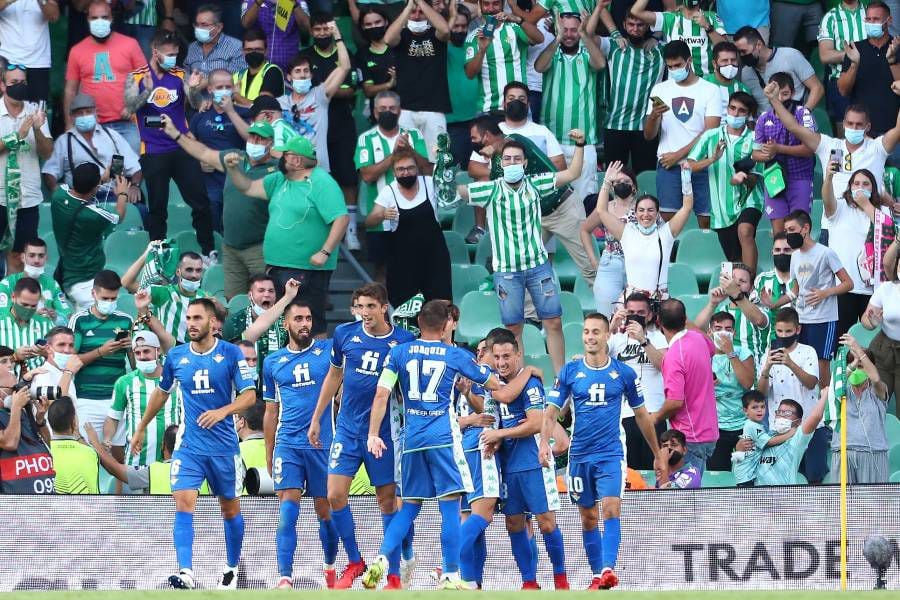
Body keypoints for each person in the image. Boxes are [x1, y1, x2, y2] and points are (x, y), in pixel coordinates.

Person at [364, 300, 502, 590]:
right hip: (443, 439)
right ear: (444, 327)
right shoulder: (455, 355)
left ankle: (381, 558)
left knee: (409, 507)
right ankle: (451, 574)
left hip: (412, 440)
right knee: (450, 508)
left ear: (418, 323)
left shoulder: (399, 353)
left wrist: (373, 433)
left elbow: (381, 394)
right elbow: (492, 383)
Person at [130, 299, 257, 589]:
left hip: (224, 447)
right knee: (184, 502)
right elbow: (161, 394)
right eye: (188, 318)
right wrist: (140, 428)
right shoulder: (176, 356)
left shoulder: (230, 353)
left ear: (213, 323)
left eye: (198, 317)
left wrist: (223, 411)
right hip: (189, 446)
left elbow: (249, 396)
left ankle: (232, 568)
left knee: (230, 509)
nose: (191, 323)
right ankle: (186, 572)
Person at [543, 313, 664, 589]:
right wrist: (543, 444)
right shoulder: (570, 372)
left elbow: (643, 416)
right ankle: (598, 575)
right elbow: (550, 414)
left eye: (596, 332)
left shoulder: (623, 373)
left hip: (611, 453)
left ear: (607, 336)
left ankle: (608, 568)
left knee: (611, 509)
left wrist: (657, 453)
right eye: (586, 332)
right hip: (579, 456)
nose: (590, 337)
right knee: (588, 517)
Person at [307, 283, 416, 589]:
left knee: (387, 501)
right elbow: (334, 376)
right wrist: (317, 418)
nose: (364, 313)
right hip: (348, 429)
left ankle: (393, 574)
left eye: (370, 306)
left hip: (384, 432)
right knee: (334, 495)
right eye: (359, 306)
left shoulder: (403, 341)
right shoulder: (345, 335)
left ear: (384, 307)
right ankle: (355, 561)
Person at [457, 133, 586, 372]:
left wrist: (580, 145)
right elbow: (458, 192)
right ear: (501, 163)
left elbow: (572, 174)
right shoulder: (491, 190)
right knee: (514, 329)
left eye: (517, 159)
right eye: (507, 159)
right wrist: (441, 168)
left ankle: (560, 379)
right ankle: (522, 379)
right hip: (507, 271)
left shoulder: (536, 184)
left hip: (538, 266)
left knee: (554, 322)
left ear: (525, 163)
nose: (513, 163)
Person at [223, 136, 349, 337]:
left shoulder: (322, 182)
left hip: (307, 269)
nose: (279, 157)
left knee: (310, 322)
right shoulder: (279, 179)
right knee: (283, 321)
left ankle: (319, 364)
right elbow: (247, 187)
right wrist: (232, 169)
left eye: (284, 154)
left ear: (297, 160)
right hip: (276, 266)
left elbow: (341, 218)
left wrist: (325, 251)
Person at [483, 328, 568, 590]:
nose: (502, 362)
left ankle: (560, 580)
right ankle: (529, 582)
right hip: (508, 466)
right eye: (497, 357)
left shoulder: (530, 384)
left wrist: (500, 432)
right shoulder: (495, 384)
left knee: (546, 522)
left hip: (533, 461)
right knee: (514, 523)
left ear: (518, 355)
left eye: (507, 356)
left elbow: (534, 424)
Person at [262, 300, 339, 589]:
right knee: (287, 511)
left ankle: (330, 568)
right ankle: (285, 577)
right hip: (289, 445)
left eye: (308, 318)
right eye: (298, 319)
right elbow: (271, 411)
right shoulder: (272, 362)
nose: (304, 323)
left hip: (322, 445)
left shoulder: (327, 351)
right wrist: (269, 452)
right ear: (286, 324)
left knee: (325, 512)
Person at [160, 115, 276, 299]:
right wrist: (176, 134)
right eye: (252, 136)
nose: (255, 141)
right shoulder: (235, 157)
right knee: (233, 301)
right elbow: (204, 153)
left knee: (264, 300)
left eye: (261, 138)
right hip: (231, 247)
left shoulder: (277, 169)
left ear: (271, 143)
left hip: (259, 247)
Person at [125, 30, 216, 262]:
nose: (172, 58)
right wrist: (146, 91)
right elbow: (130, 108)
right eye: (168, 54)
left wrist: (194, 89)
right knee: (158, 207)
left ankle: (208, 251)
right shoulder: (135, 76)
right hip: (153, 151)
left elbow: (195, 104)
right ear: (155, 52)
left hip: (183, 147)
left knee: (200, 201)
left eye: (175, 53)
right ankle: (157, 255)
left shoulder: (179, 74)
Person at [589, 161, 695, 303]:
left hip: (658, 300)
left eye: (650, 210)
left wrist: (686, 177)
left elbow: (687, 208)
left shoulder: (666, 233)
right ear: (635, 213)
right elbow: (601, 210)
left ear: (657, 213)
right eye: (641, 210)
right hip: (633, 303)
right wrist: (607, 181)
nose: (646, 214)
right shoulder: (627, 233)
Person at [644, 41, 720, 228]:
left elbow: (710, 133)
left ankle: (705, 256)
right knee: (667, 224)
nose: (674, 70)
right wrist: (654, 116)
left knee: (706, 222)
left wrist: (678, 155)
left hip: (701, 164)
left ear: (689, 61)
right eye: (670, 66)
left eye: (678, 65)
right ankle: (669, 258)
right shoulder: (660, 89)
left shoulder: (710, 90)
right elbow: (649, 135)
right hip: (668, 166)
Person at [356, 91, 430, 280]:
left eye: (392, 108)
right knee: (383, 272)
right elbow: (367, 176)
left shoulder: (413, 135)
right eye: (383, 109)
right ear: (375, 111)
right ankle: (384, 310)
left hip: (414, 216)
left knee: (415, 269)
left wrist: (410, 150)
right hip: (381, 220)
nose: (387, 112)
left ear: (399, 111)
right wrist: (394, 155)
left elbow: (428, 171)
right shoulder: (366, 139)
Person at [300, 15, 359, 247]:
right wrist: (328, 90)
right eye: (318, 29)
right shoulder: (305, 57)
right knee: (319, 178)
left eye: (327, 29)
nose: (322, 33)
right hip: (313, 126)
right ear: (312, 31)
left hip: (341, 123)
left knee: (347, 177)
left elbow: (350, 89)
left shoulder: (344, 54)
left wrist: (323, 91)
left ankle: (351, 231)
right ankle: (323, 229)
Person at [534, 11, 605, 203]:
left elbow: (600, 64)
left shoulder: (587, 52)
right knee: (551, 200)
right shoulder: (552, 52)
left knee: (585, 200)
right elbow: (539, 67)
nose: (569, 34)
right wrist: (557, 38)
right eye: (565, 29)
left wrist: (584, 35)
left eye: (574, 30)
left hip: (583, 142)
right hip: (551, 141)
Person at [687, 91, 763, 271]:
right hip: (720, 206)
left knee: (745, 232)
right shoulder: (710, 136)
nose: (735, 114)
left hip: (750, 199)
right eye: (732, 108)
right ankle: (742, 291)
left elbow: (757, 176)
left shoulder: (755, 139)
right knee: (735, 258)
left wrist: (744, 179)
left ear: (748, 115)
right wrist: (712, 158)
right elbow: (690, 165)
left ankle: (750, 284)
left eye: (741, 111)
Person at [365, 149, 450, 307]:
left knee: (440, 307)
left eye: (410, 168)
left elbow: (452, 191)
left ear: (417, 168)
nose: (406, 173)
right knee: (404, 309)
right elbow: (369, 221)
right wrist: (382, 214)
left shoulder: (430, 184)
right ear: (394, 172)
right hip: (403, 263)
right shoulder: (388, 192)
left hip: (434, 259)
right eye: (401, 169)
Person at [63, 0, 147, 153]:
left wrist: (133, 105)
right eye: (94, 18)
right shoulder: (77, 50)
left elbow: (147, 81)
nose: (99, 22)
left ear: (111, 19)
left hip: (126, 124)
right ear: (87, 20)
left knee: (132, 171)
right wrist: (69, 124)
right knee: (97, 174)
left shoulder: (130, 44)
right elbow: (70, 90)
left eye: (104, 17)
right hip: (91, 125)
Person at [756, 307, 827, 483]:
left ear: (798, 329)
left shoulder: (808, 351)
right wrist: (766, 368)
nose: (784, 335)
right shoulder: (768, 353)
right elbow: (761, 393)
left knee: (814, 478)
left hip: (810, 426)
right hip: (779, 428)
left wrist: (790, 363)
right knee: (783, 478)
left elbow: (811, 383)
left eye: (788, 331)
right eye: (780, 331)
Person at [823, 165, 895, 337]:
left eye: (866, 184)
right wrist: (828, 178)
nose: (860, 187)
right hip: (843, 285)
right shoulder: (840, 207)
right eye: (856, 183)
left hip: (873, 288)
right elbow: (827, 200)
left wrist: (865, 204)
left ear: (873, 188)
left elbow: (887, 230)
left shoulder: (882, 211)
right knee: (841, 339)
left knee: (872, 340)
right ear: (849, 187)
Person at [784, 210, 854, 385]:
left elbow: (848, 283)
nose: (788, 234)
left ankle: (826, 408)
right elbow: (796, 289)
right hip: (801, 318)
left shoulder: (826, 253)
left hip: (824, 318)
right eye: (786, 231)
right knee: (802, 364)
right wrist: (775, 303)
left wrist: (825, 293)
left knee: (821, 364)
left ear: (805, 228)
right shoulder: (794, 256)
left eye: (792, 229)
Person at [68, 270, 134, 455]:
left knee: (119, 456)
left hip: (117, 399)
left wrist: (130, 347)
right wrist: (100, 352)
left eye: (113, 298)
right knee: (87, 454)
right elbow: (70, 362)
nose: (109, 303)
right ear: (93, 294)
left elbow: (137, 366)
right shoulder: (79, 320)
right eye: (105, 298)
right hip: (86, 399)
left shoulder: (126, 320)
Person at [50, 164, 129, 310]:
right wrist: (123, 194)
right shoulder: (93, 216)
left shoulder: (58, 196)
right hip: (87, 283)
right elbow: (118, 216)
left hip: (67, 277)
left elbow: (80, 191)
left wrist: (100, 182)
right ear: (94, 188)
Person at [596, 6, 664, 174]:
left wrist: (657, 36)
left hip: (646, 127)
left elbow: (680, 31)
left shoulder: (661, 49)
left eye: (640, 25)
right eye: (631, 24)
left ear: (648, 25)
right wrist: (614, 33)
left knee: (646, 176)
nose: (635, 29)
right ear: (624, 25)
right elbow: (588, 37)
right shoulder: (613, 45)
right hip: (614, 124)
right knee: (614, 177)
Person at [42, 93, 143, 204]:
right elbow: (50, 172)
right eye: (80, 113)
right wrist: (59, 192)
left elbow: (135, 167)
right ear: (72, 117)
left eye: (88, 112)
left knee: (141, 211)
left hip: (113, 195)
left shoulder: (112, 136)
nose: (85, 116)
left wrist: (135, 186)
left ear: (96, 113)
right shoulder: (64, 141)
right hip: (81, 198)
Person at [655, 298, 718, 475]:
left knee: (684, 499)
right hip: (709, 432)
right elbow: (712, 348)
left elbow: (675, 402)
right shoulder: (699, 339)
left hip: (688, 437)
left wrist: (654, 418)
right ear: (685, 319)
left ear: (659, 322)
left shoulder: (673, 356)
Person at [386, 0, 454, 159]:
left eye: (421, 12)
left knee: (438, 160)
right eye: (413, 12)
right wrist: (410, 5)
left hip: (434, 109)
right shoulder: (401, 36)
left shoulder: (436, 35)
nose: (416, 16)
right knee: (405, 159)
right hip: (405, 109)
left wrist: (421, 3)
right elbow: (388, 39)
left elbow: (444, 30)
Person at [0, 62, 52, 273]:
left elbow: (47, 152)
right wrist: (16, 136)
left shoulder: (35, 112)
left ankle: (11, 304)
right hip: (0, 196)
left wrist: (37, 131)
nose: (19, 86)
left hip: (27, 198)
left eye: (23, 82)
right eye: (14, 82)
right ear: (3, 85)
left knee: (18, 256)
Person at [607, 294, 668, 470]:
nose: (635, 316)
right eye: (631, 312)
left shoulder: (658, 338)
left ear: (649, 315)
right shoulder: (616, 339)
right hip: (624, 414)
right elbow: (595, 355)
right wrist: (611, 327)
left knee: (653, 469)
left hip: (653, 413)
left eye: (640, 312)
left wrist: (643, 340)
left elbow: (664, 365)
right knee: (630, 474)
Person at [751, 72, 817, 234]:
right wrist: (768, 154)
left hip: (800, 178)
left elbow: (809, 149)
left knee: (798, 232)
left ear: (793, 93)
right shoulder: (763, 118)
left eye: (785, 94)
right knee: (779, 232)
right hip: (774, 179)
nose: (780, 98)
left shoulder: (803, 113)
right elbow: (755, 154)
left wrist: (778, 149)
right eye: (775, 94)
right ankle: (782, 260)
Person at [188, 70, 252, 233]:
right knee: (210, 214)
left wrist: (230, 110)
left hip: (238, 179)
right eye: (219, 87)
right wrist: (198, 163)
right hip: (209, 182)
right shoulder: (200, 116)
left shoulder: (244, 113)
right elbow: (188, 146)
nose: (224, 90)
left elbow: (252, 138)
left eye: (228, 87)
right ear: (209, 89)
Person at [277, 37, 351, 176]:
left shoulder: (320, 95)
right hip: (289, 169)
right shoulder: (280, 103)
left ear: (311, 75)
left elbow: (345, 67)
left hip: (317, 168)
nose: (302, 75)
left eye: (306, 71)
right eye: (297, 71)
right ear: (289, 77)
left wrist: (338, 38)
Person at [104, 331, 175, 469]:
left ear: (158, 351)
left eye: (146, 351)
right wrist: (107, 438)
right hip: (137, 462)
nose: (142, 357)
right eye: (137, 353)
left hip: (171, 462)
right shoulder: (124, 382)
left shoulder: (174, 379)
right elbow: (113, 418)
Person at [825, 334, 890, 483]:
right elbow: (835, 383)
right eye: (852, 365)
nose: (856, 368)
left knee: (872, 504)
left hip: (872, 454)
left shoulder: (877, 390)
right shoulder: (840, 390)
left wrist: (857, 349)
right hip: (842, 454)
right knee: (843, 505)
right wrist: (852, 364)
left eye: (861, 366)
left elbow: (875, 378)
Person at [580, 165, 642, 316]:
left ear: (634, 186)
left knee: (637, 314)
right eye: (617, 181)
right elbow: (584, 230)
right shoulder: (605, 207)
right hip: (610, 263)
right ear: (612, 187)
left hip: (638, 263)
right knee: (607, 316)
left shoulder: (644, 208)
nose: (622, 184)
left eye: (626, 181)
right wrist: (594, 262)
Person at [464, 0, 542, 113]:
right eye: (486, 4)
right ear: (480, 6)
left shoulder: (515, 28)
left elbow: (539, 39)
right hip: (488, 108)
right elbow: (470, 74)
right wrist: (482, 50)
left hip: (519, 105)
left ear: (503, 5)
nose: (491, 9)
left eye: (495, 3)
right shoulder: (474, 36)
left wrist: (518, 19)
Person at [837, 3, 900, 138]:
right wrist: (854, 64)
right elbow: (843, 90)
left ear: (888, 21)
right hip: (862, 132)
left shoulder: (897, 48)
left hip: (894, 132)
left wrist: (892, 60)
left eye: (876, 19)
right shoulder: (855, 49)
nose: (871, 23)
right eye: (868, 19)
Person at [694, 264, 771, 371]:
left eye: (742, 281)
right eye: (733, 280)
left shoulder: (760, 309)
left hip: (753, 375)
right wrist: (713, 303)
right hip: (724, 374)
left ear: (751, 287)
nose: (736, 284)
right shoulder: (721, 310)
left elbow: (759, 320)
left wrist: (736, 293)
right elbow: (697, 329)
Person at [122, 250, 209, 343]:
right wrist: (146, 254)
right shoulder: (165, 292)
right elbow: (127, 283)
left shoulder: (206, 298)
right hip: (168, 353)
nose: (194, 275)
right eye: (189, 270)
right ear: (178, 272)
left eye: (198, 270)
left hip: (196, 352)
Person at [733, 26, 824, 113]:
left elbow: (817, 88)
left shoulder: (790, 55)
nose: (741, 56)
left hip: (795, 120)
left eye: (744, 51)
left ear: (759, 45)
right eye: (739, 53)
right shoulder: (745, 73)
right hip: (766, 125)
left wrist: (804, 114)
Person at [707, 311, 756, 471]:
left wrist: (730, 352)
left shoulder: (743, 353)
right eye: (718, 328)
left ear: (733, 332)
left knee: (745, 472)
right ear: (710, 331)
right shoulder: (704, 354)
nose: (723, 332)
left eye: (728, 329)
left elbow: (748, 383)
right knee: (718, 474)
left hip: (743, 424)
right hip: (715, 426)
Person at [629, 0, 726, 76]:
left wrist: (707, 27)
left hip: (705, 80)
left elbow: (725, 49)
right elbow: (636, 11)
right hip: (677, 81)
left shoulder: (712, 17)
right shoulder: (670, 18)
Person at [0, 360, 53, 494]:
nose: (17, 394)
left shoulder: (20, 411)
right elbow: (9, 443)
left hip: (46, 493)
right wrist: (17, 406)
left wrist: (40, 420)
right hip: (16, 501)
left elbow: (49, 443)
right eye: (13, 390)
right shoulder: (17, 409)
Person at [754, 391, 826, 486]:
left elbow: (816, 417)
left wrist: (825, 395)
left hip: (787, 496)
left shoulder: (798, 438)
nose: (781, 415)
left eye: (787, 413)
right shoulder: (765, 437)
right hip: (757, 497)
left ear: (798, 421)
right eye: (779, 412)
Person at [818, 0, 867, 133]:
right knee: (845, 134)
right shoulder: (830, 17)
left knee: (870, 131)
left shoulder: (870, 13)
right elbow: (824, 55)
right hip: (840, 80)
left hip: (870, 80)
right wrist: (851, 56)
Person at [862, 237, 900, 405]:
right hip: (883, 350)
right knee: (874, 402)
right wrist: (872, 323)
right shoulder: (886, 288)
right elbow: (865, 318)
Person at [0, 239, 70, 326]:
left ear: (46, 258)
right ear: (23, 257)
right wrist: (32, 314)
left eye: (41, 256)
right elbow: (2, 315)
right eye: (31, 255)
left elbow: (68, 316)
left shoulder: (53, 285)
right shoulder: (7, 284)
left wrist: (56, 317)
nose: (36, 260)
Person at [0, 0, 58, 103]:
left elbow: (54, 16)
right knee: (5, 112)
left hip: (38, 62)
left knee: (37, 114)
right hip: (8, 61)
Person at [445, 5, 481, 168]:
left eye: (464, 26)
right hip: (452, 122)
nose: (460, 30)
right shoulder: (440, 47)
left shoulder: (475, 45)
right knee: (457, 173)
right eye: (456, 26)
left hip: (478, 119)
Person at [732, 390, 789, 487]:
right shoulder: (752, 426)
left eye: (762, 406)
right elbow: (769, 442)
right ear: (745, 411)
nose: (759, 410)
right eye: (754, 407)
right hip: (746, 476)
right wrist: (790, 434)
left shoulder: (754, 425)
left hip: (747, 474)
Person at [48, 396, 100, 494]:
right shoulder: (89, 453)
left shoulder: (44, 451)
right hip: (83, 508)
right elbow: (94, 494)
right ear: (74, 422)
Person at [0, 277, 53, 371]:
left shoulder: (46, 324)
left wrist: (45, 353)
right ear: (13, 298)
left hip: (38, 382)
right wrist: (14, 357)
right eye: (24, 305)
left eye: (33, 306)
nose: (28, 309)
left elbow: (63, 359)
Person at [240, 1, 308, 73]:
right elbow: (246, 23)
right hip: (259, 66)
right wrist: (258, 2)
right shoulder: (250, 1)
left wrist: (294, 5)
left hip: (290, 67)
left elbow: (307, 27)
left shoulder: (299, 1)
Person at [355, 8, 397, 120]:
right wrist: (389, 85)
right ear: (363, 27)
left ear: (386, 22)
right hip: (381, 115)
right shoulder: (361, 55)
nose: (374, 26)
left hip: (408, 110)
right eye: (368, 24)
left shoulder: (399, 46)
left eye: (378, 22)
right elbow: (368, 90)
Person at [185, 3, 247, 75]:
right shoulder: (192, 47)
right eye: (197, 25)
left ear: (219, 27)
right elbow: (186, 73)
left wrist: (207, 82)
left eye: (204, 25)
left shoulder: (236, 47)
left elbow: (238, 75)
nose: (199, 28)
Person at [755, 232, 796, 341]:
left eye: (787, 250)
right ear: (772, 252)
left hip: (802, 343)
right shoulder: (762, 280)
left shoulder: (803, 278)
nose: (781, 253)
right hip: (772, 344)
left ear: (795, 252)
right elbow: (758, 320)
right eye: (777, 250)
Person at [232, 28, 286, 105]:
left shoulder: (273, 71)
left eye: (258, 49)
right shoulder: (237, 76)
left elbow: (262, 105)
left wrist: (236, 96)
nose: (253, 53)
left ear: (266, 51)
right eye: (249, 50)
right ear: (243, 52)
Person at [29, 325, 81, 400]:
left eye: (71, 345)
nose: (67, 350)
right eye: (61, 345)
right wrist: (68, 372)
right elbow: (56, 408)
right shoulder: (42, 375)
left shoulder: (66, 372)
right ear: (48, 348)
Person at [703, 42, 752, 115]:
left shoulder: (744, 90)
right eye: (725, 60)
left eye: (733, 60)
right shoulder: (702, 85)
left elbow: (748, 118)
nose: (730, 64)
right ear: (714, 64)